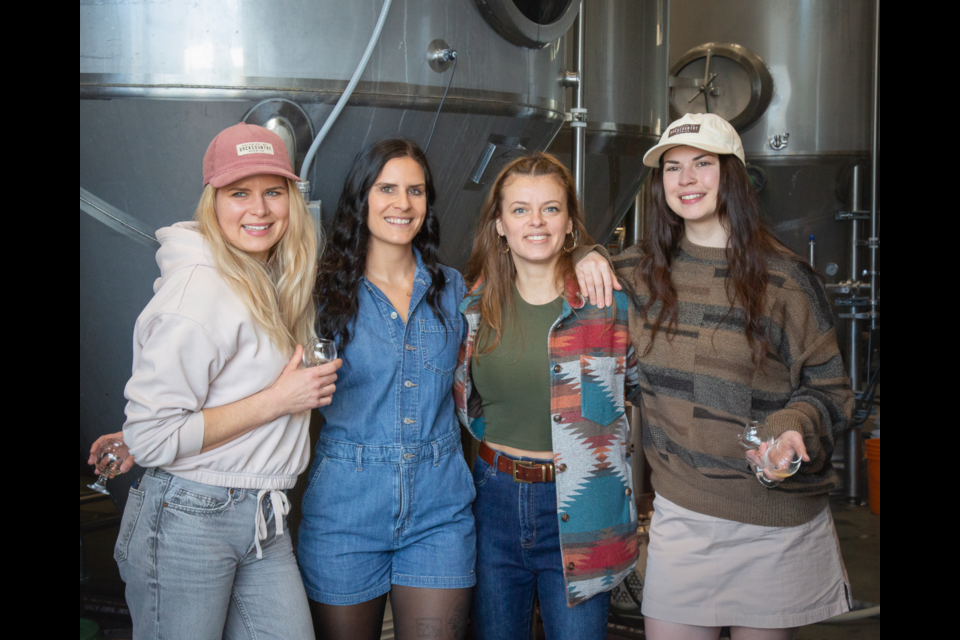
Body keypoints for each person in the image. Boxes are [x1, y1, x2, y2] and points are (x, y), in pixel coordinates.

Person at [574, 113, 855, 640]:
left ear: (733, 176)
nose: (686, 180)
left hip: (773, 523)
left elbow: (831, 389)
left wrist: (793, 426)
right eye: (673, 168)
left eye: (703, 165)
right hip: (683, 517)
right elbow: (539, 252)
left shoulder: (784, 279)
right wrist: (583, 252)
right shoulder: (637, 273)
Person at [103, 123, 341, 640]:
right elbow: (155, 437)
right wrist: (281, 399)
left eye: (273, 192)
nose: (259, 209)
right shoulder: (198, 290)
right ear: (213, 201)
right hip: (190, 517)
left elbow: (185, 407)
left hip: (260, 517)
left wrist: (142, 434)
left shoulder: (266, 277)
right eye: (239, 194)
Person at [454, 152, 640, 640]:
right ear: (499, 224)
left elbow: (651, 395)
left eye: (550, 209)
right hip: (492, 498)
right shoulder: (471, 308)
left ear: (570, 222)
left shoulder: (610, 305)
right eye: (519, 210)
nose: (535, 222)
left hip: (584, 509)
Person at [297, 139, 476, 640]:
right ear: (362, 198)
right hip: (345, 510)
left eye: (415, 191)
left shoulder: (454, 290)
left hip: (439, 510)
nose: (403, 203)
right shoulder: (318, 293)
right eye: (387, 189)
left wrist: (587, 253)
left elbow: (534, 271)